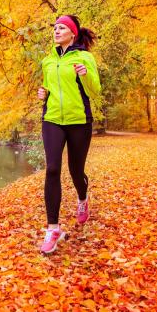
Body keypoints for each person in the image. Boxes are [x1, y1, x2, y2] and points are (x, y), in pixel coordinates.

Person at [37, 15, 101, 254]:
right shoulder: (47, 61)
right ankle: (53, 228)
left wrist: (85, 74)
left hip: (79, 120)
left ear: (72, 33)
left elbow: (94, 91)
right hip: (52, 119)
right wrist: (43, 94)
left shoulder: (84, 57)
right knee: (52, 168)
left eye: (61, 27)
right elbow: (48, 88)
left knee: (76, 170)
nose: (56, 30)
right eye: (54, 27)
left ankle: (82, 198)